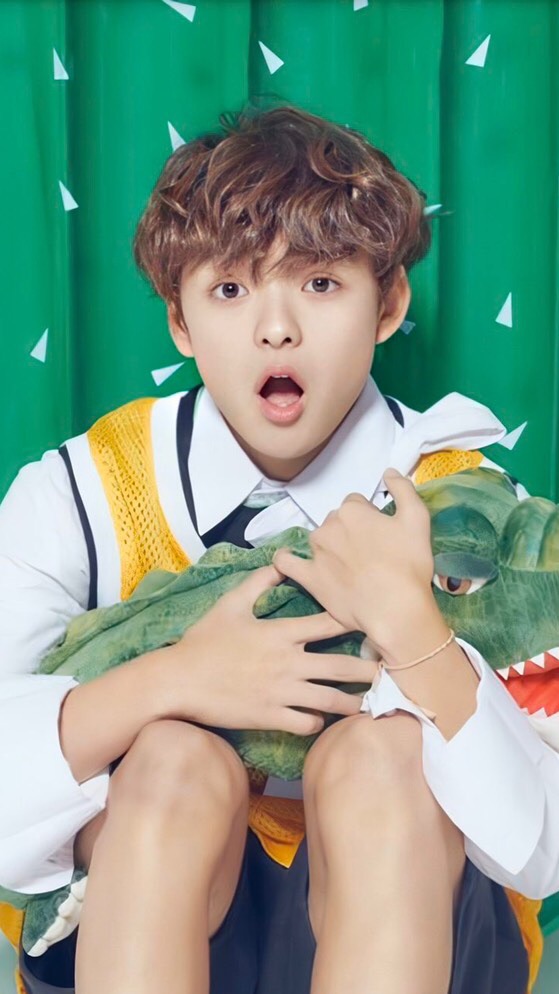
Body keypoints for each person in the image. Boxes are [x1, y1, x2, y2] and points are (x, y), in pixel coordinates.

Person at [0, 102, 557, 994]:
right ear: (181, 324)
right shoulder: (80, 490)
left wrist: (419, 639)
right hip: (146, 905)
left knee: (382, 762)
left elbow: (545, 849)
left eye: (320, 283)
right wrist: (175, 679)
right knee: (173, 760)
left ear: (388, 304)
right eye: (230, 291)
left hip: (418, 920)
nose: (276, 328)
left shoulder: (470, 510)